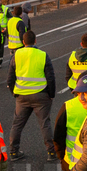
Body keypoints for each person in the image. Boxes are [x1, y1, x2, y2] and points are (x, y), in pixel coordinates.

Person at [7, 30, 58, 161]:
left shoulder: (17, 55)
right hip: (40, 95)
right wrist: (51, 95)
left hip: (22, 96)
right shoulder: (42, 55)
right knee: (45, 124)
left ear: (23, 42)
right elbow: (50, 77)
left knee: (17, 125)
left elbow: (10, 78)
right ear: (35, 41)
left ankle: (13, 152)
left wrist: (15, 92)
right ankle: (51, 153)